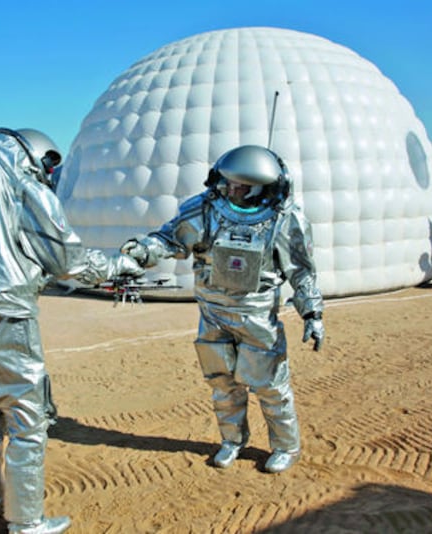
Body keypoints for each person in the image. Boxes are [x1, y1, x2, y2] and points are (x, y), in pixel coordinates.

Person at [0, 128, 144, 533]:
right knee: (27, 421)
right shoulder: (21, 181)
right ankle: (26, 522)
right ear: (41, 158)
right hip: (4, 316)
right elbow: (67, 260)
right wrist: (118, 265)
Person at [121, 145, 324, 474]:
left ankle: (286, 446)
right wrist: (145, 250)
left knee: (270, 385)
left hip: (256, 314)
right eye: (229, 183)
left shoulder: (283, 219)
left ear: (262, 188)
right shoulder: (205, 210)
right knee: (222, 383)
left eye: (242, 186)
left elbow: (301, 271)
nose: (232, 190)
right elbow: (171, 238)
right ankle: (232, 440)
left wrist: (312, 313)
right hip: (212, 312)